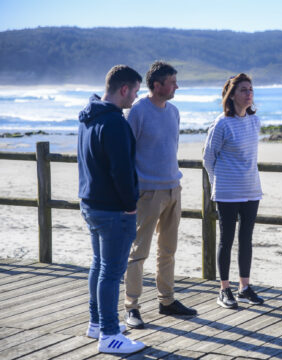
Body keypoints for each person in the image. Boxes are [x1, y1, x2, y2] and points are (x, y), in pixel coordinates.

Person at [78, 65, 145, 354]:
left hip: (91, 204)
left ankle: (97, 323)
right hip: (113, 210)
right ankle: (108, 334)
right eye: (135, 92)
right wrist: (130, 205)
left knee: (99, 265)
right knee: (111, 273)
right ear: (124, 89)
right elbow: (121, 170)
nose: (135, 98)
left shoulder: (88, 117)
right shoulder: (116, 123)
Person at [124, 61, 196, 329]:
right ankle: (131, 307)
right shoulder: (137, 111)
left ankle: (166, 301)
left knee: (168, 250)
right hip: (147, 192)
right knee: (138, 251)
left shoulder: (174, 112)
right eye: (172, 82)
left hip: (173, 189)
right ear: (156, 85)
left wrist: (174, 186)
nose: (176, 86)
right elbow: (126, 153)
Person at [203, 73, 264, 309]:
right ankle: (224, 289)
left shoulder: (254, 121)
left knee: (246, 239)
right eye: (243, 90)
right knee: (226, 240)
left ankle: (244, 287)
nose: (249, 94)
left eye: (251, 89)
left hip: (252, 189)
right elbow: (208, 158)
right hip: (228, 191)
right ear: (232, 95)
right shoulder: (221, 123)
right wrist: (217, 182)